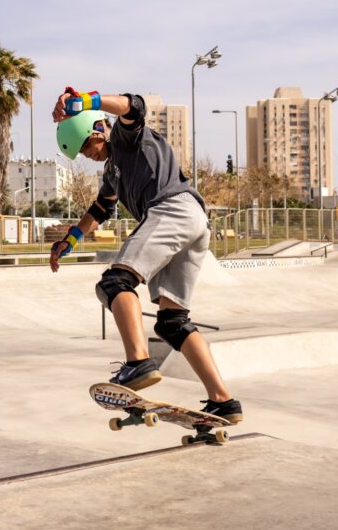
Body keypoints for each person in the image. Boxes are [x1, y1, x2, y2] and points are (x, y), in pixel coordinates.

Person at [50, 88, 242, 423]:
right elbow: (101, 208)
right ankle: (223, 400)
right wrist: (70, 239)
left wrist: (85, 100)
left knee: (115, 283)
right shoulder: (112, 171)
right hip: (194, 221)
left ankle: (138, 362)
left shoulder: (127, 137)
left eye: (87, 146)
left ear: (97, 130)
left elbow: (133, 105)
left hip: (171, 210)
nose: (88, 155)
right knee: (172, 323)